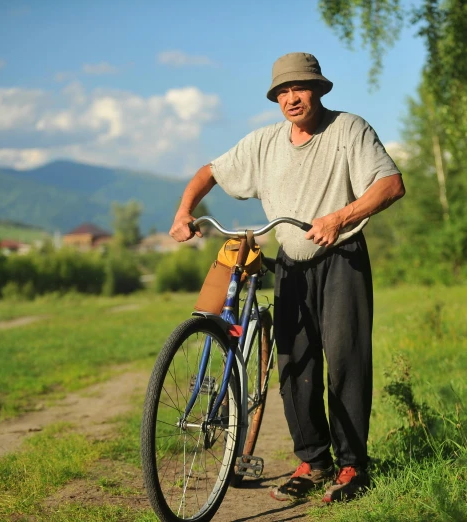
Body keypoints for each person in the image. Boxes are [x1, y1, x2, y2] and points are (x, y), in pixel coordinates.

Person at [169, 52, 405, 503]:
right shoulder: (264, 143)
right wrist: (184, 212)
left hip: (342, 258)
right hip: (291, 266)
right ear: (276, 98)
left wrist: (339, 217)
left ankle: (353, 465)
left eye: (300, 88)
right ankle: (313, 463)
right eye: (283, 91)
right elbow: (208, 172)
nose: (292, 98)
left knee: (346, 363)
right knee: (295, 365)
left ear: (318, 89)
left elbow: (390, 183)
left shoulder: (348, 130)